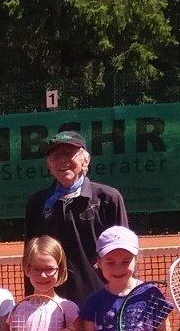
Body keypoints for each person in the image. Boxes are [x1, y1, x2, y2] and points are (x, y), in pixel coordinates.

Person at [23, 130, 128, 306]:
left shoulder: (109, 199)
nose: (63, 160)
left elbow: (126, 253)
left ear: (85, 160)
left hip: (101, 303)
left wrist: (128, 298)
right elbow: (30, 259)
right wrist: (30, 301)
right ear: (49, 165)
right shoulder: (37, 203)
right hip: (53, 305)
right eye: (56, 155)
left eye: (69, 154)